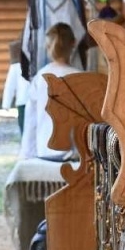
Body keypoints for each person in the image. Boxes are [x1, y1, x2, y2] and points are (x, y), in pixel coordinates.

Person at [18, 23, 81, 162]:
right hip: (74, 154)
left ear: (47, 47)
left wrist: (26, 154)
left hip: (44, 150)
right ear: (74, 43)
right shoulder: (81, 78)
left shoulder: (40, 78)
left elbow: (31, 118)